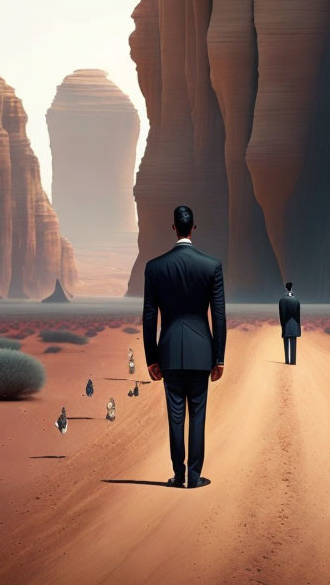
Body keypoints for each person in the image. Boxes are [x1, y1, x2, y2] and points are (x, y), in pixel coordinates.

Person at [143, 205, 226, 489]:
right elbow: (218, 315)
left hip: (168, 352)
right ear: (193, 228)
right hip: (201, 352)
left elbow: (149, 316)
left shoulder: (155, 267)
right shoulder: (211, 265)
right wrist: (220, 357)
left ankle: (178, 476)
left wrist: (151, 358)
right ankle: (194, 475)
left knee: (175, 417)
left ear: (174, 227)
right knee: (198, 416)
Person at [279, 282, 301, 365]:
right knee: (293, 343)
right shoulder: (296, 300)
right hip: (294, 324)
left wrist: (283, 326)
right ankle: (293, 361)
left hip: (286, 324)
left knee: (286, 342)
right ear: (291, 288)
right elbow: (298, 316)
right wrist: (298, 327)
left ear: (286, 288)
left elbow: (281, 315)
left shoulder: (282, 300)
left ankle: (287, 361)